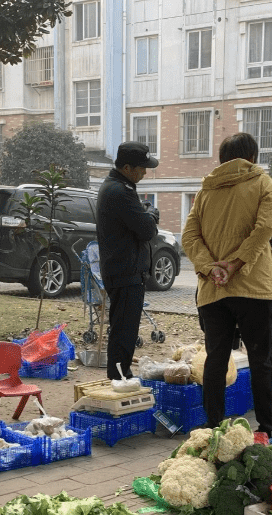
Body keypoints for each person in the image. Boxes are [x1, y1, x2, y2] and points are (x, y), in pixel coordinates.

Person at [182, 132, 272, 437]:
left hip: (213, 289)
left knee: (216, 359)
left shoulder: (206, 191)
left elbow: (189, 237)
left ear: (222, 159)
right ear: (252, 157)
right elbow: (266, 226)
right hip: (254, 285)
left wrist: (210, 267)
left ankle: (213, 425)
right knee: (261, 359)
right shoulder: (262, 181)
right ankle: (268, 425)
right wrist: (237, 263)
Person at [96, 141, 160, 380]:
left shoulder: (119, 187)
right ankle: (120, 379)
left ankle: (120, 376)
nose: (145, 171)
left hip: (123, 269)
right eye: (142, 167)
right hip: (125, 271)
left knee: (123, 328)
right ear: (126, 167)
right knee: (124, 330)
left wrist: (146, 215)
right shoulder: (120, 191)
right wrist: (151, 216)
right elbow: (146, 230)